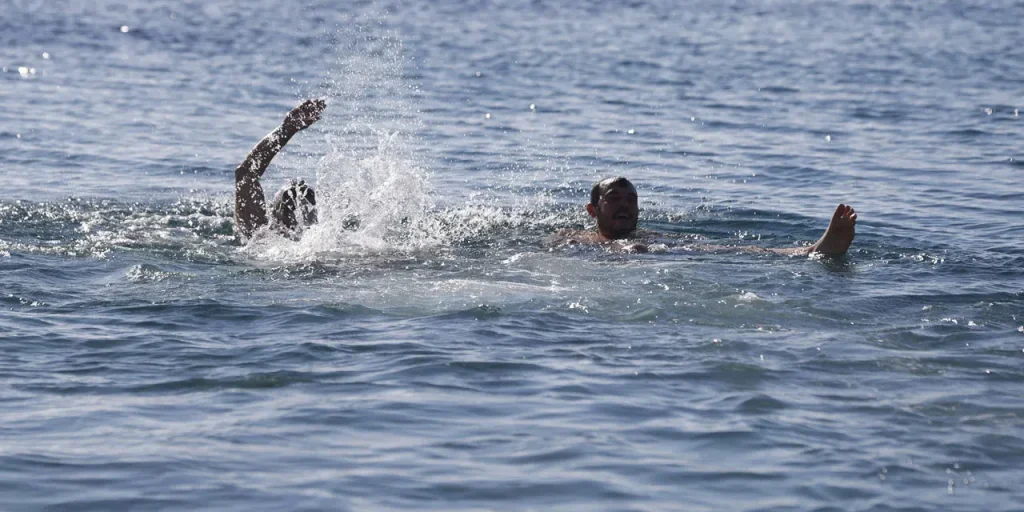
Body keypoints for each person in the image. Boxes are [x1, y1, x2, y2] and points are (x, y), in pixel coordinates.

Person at [568, 176, 857, 256]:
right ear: (593, 210)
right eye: (614, 199)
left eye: (632, 200)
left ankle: (811, 250)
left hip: (661, 256)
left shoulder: (655, 238)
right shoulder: (573, 239)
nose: (625, 206)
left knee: (728, 250)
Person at [234, 98, 326, 239]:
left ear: (274, 214)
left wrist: (288, 128)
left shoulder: (259, 236)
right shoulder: (337, 241)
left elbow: (245, 173)